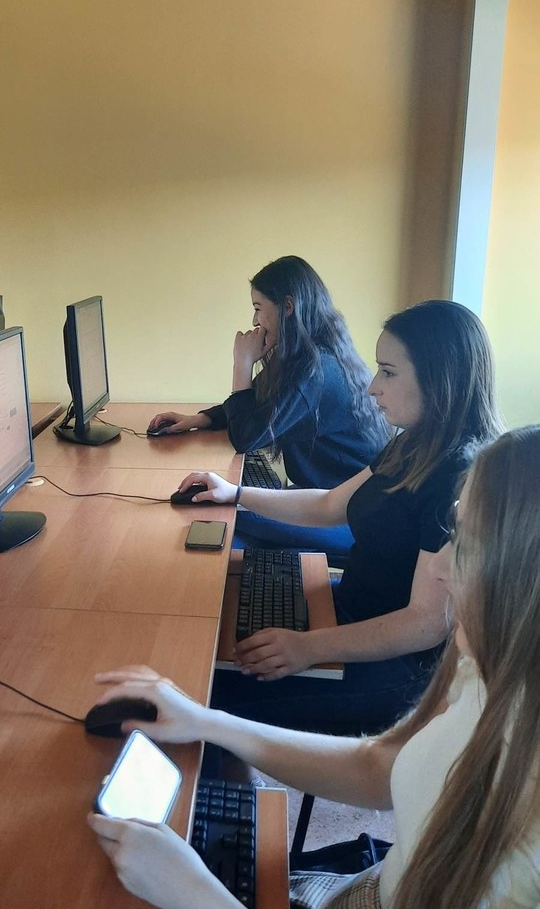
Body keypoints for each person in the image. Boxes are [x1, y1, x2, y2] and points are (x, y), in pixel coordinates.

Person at [88, 426, 540, 909]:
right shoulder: (493, 663)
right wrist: (207, 721)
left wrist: (196, 896)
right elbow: (381, 767)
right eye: (452, 530)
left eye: (467, 543)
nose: (439, 568)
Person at [179, 299, 502, 736]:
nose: (372, 387)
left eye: (388, 372)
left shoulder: (458, 475)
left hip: (396, 668)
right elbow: (330, 505)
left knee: (202, 689)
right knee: (219, 616)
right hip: (350, 612)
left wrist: (310, 647)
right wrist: (235, 493)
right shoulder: (414, 443)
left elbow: (427, 623)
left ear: (438, 378)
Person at [149, 257, 388, 561]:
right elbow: (257, 403)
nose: (254, 321)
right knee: (224, 521)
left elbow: (246, 437)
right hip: (325, 500)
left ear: (287, 306)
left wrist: (242, 363)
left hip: (348, 516)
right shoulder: (309, 355)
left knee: (220, 523)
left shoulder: (316, 371)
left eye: (258, 308)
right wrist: (200, 419)